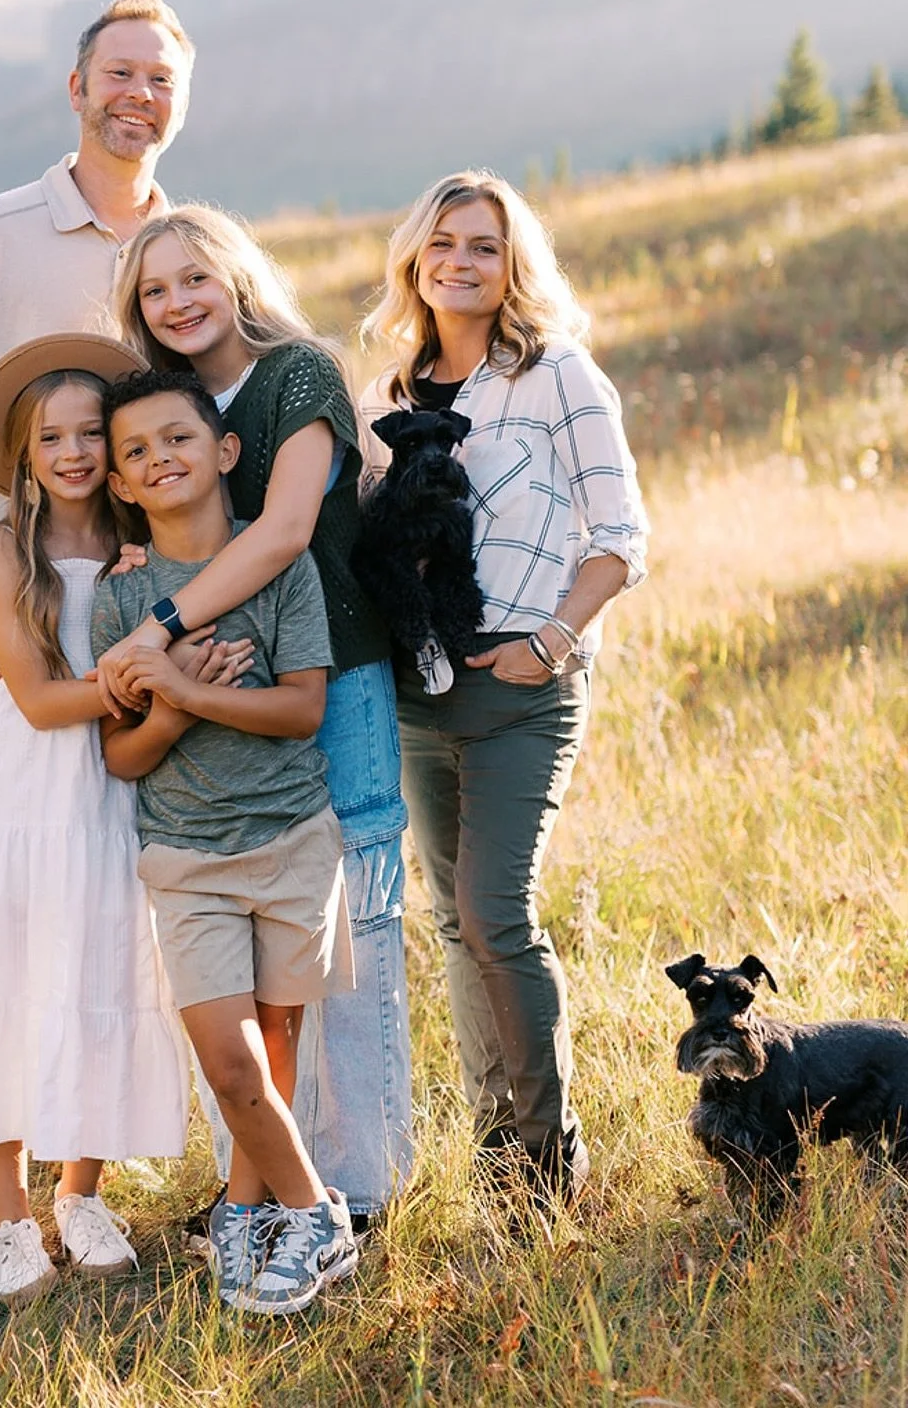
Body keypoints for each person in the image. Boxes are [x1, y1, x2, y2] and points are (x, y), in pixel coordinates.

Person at [0, 0, 194, 1259]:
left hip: (130, 633)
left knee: (110, 895)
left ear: (179, 101)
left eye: (160, 80)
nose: (138, 96)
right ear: (76, 89)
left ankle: (82, 1166)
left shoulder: (189, 252)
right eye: (118, 73)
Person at [0, 335, 243, 1304]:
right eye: (54, 435)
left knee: (101, 968)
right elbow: (43, 700)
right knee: (7, 980)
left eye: (92, 431)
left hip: (110, 792)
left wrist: (153, 653)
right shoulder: (6, 547)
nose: (76, 450)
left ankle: (81, 1193)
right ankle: (9, 1215)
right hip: (27, 792)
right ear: (26, 450)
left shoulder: (137, 545)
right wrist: (149, 676)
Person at [98, 204, 412, 1227]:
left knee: (350, 932)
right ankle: (276, 1183)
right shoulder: (173, 403)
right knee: (254, 949)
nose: (178, 301)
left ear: (235, 278)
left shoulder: (300, 375)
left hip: (335, 678)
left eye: (195, 278)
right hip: (228, 687)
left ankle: (359, 1182)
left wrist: (158, 625)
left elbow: (281, 532)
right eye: (155, 290)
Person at [359, 169, 649, 1203]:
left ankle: (545, 1155)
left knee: (495, 916)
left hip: (523, 692)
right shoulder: (387, 397)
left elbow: (620, 538)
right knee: (450, 923)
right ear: (415, 263)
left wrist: (553, 641)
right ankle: (496, 1152)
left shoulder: (558, 375)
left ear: (512, 262)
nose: (460, 262)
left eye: (483, 245)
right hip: (416, 698)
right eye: (442, 244)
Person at [93, 369, 359, 1317]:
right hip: (187, 858)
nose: (159, 459)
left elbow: (300, 710)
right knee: (233, 1065)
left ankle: (245, 1216)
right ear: (119, 485)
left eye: (178, 439)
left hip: (293, 839)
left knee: (278, 1044)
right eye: (136, 453)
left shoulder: (280, 565)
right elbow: (122, 756)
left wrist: (187, 688)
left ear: (225, 452)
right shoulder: (120, 603)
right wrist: (167, 702)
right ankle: (320, 1216)